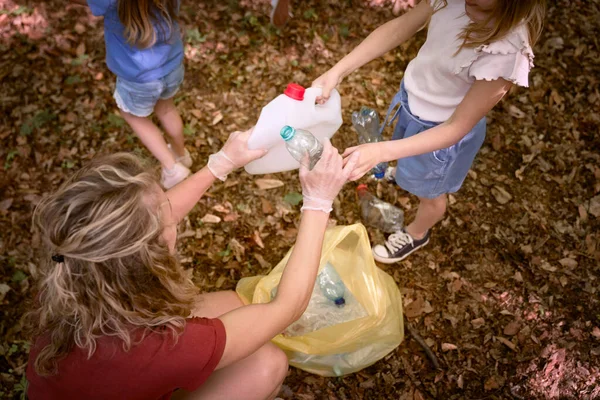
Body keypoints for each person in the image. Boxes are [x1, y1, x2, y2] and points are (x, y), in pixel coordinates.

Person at [25, 128, 360, 399]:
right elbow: (288, 307)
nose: (176, 219)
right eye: (169, 222)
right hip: (139, 364)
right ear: (148, 256)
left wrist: (221, 163)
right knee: (268, 365)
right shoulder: (155, 347)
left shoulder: (75, 264)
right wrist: (318, 203)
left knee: (235, 303)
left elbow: (150, 218)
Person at [312, 0, 545, 263]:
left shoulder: (507, 49)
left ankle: (417, 232)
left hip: (439, 137)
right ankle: (403, 170)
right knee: (406, 157)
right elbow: (400, 27)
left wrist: (380, 150)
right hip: (410, 103)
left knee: (430, 194)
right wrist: (338, 71)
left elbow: (456, 128)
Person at [71, 0, 192, 189]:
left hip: (138, 77)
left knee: (133, 116)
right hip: (171, 66)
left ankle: (172, 168)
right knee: (167, 109)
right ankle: (181, 155)